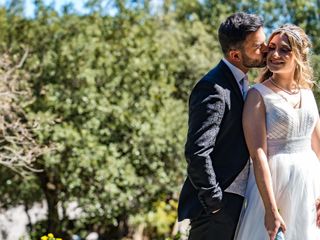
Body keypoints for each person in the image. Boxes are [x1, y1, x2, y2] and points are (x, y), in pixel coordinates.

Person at [177, 12, 267, 240]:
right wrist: (215, 202)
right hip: (218, 208)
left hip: (240, 203)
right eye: (258, 46)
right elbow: (197, 152)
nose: (265, 49)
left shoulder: (244, 83)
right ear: (236, 54)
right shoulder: (213, 87)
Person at [235, 24, 320, 240]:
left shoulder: (308, 93)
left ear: (299, 55)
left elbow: (317, 144)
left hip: (310, 184)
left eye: (284, 49)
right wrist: (271, 210)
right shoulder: (257, 95)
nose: (274, 54)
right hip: (275, 185)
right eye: (271, 48)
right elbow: (258, 154)